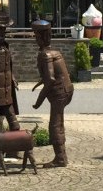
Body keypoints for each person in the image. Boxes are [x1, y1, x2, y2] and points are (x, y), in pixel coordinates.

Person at [31, 19, 73, 167]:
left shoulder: (45, 55)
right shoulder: (55, 52)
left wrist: (38, 101)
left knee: (54, 125)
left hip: (59, 93)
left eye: (36, 36)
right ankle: (62, 156)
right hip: (67, 90)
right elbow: (56, 74)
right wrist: (40, 82)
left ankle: (60, 158)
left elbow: (50, 80)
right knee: (59, 122)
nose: (35, 39)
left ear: (42, 37)